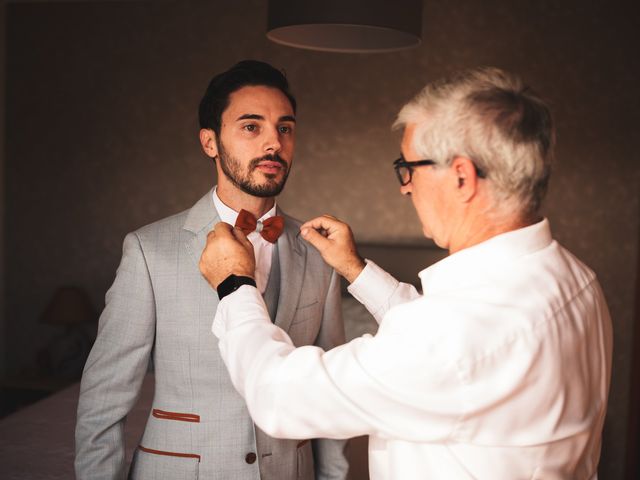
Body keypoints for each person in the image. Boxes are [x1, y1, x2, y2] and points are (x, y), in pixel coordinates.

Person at [199, 67, 613, 479]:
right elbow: (444, 342)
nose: (406, 186)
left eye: (409, 167)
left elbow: (278, 397)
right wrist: (355, 270)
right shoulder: (575, 278)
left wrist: (234, 284)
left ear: (462, 178)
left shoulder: (457, 338)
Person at [75, 60, 349, 480]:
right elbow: (105, 397)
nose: (273, 143)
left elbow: (330, 394)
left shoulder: (321, 253)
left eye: (285, 128)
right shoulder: (149, 250)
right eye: (251, 127)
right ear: (210, 142)